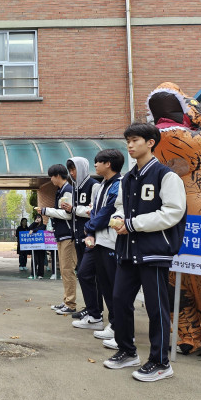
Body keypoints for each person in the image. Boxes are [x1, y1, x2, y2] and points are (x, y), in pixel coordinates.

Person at [103, 123, 186, 382]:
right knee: (119, 299)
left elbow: (173, 212)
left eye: (135, 140)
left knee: (156, 308)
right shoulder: (127, 178)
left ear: (151, 142)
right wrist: (118, 218)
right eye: (127, 140)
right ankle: (127, 351)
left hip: (154, 251)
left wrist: (133, 224)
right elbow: (119, 207)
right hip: (127, 250)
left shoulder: (166, 175)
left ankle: (161, 362)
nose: (130, 145)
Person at [81, 149, 124, 347]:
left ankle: (119, 328)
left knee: (115, 286)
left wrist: (88, 228)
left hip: (112, 241)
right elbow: (95, 212)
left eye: (98, 162)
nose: (95, 165)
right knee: (104, 283)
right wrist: (90, 232)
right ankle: (111, 323)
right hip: (98, 240)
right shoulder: (101, 186)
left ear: (108, 164)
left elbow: (107, 213)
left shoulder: (118, 185)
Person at [66, 156, 102, 330]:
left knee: (88, 274)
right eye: (70, 170)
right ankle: (90, 308)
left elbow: (93, 211)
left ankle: (96, 311)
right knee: (83, 273)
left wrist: (74, 209)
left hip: (90, 237)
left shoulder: (94, 185)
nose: (72, 173)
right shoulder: (75, 187)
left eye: (74, 169)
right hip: (78, 236)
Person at [38, 164, 76, 314]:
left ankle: (71, 304)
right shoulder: (61, 190)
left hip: (67, 234)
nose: (51, 180)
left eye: (52, 177)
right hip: (61, 234)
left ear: (58, 176)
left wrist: (46, 211)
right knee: (64, 270)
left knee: (67, 270)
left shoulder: (67, 190)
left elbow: (67, 214)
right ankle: (67, 300)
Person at [28, 214, 47, 279]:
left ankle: (40, 274)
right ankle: (32, 274)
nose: (38, 219)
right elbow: (29, 228)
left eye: (39, 218)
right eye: (36, 218)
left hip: (41, 246)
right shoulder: (34, 225)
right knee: (34, 260)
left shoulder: (44, 226)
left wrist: (33, 230)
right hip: (34, 246)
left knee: (41, 261)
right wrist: (34, 223)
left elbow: (40, 229)